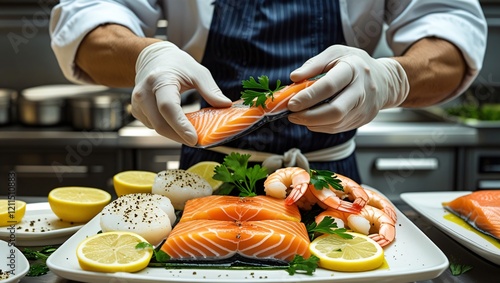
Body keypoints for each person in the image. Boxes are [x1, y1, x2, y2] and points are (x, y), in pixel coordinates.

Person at [49, 0, 487, 184]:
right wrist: (147, 54)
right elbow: (86, 24)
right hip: (205, 173)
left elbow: (451, 31)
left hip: (329, 175)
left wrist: (394, 77)